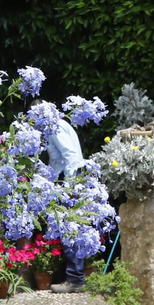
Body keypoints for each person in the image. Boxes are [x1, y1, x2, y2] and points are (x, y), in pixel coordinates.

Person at [43, 105, 89, 292]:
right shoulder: (58, 125)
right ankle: (74, 277)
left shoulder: (54, 127)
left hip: (67, 180)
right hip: (66, 179)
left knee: (70, 228)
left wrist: (69, 185)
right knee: (70, 227)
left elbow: (69, 155)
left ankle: (75, 280)